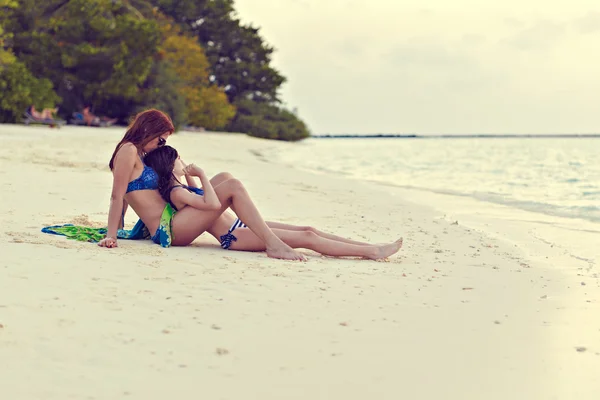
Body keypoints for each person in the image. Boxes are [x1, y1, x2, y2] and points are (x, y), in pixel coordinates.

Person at [98, 109, 306, 261]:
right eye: (161, 140)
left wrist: (120, 225)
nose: (162, 146)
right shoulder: (128, 151)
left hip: (173, 217)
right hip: (168, 229)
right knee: (232, 186)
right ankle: (272, 243)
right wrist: (111, 235)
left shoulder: (140, 152)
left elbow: (125, 194)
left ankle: (241, 225)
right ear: (147, 130)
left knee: (225, 177)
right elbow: (118, 195)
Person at [143, 145, 403, 260]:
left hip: (239, 225)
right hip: (232, 237)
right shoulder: (177, 193)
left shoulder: (182, 187)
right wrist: (198, 174)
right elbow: (210, 203)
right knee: (307, 239)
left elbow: (203, 197)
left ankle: (370, 246)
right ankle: (372, 253)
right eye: (179, 158)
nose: (183, 160)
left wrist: (193, 176)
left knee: (308, 229)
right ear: (170, 164)